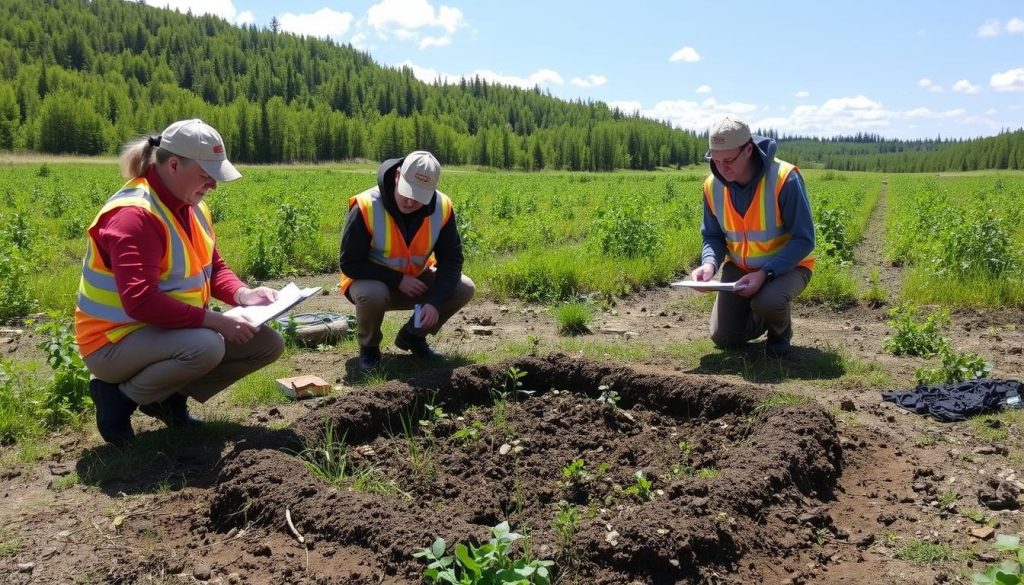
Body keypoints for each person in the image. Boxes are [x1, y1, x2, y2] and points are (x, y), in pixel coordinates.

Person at [75, 119, 285, 446]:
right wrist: (215, 321)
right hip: (113, 341)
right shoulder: (135, 215)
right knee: (207, 346)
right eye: (206, 175)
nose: (213, 185)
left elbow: (213, 268)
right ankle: (117, 398)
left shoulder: (192, 206)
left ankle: (166, 398)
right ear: (174, 165)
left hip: (164, 331)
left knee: (266, 344)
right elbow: (140, 301)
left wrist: (244, 294)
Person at [690, 116, 815, 357]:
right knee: (724, 337)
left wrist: (764, 274)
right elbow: (713, 236)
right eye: (714, 160)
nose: (721, 168)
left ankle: (779, 333)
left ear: (748, 150)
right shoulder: (712, 185)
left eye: (728, 160)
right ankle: (762, 313)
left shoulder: (785, 178)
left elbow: (804, 239)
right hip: (740, 268)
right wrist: (709, 264)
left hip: (789, 267)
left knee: (768, 301)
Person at [339, 150, 475, 372]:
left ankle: (413, 336)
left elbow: (451, 260)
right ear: (397, 176)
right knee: (372, 293)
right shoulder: (366, 206)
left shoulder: (442, 207)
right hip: (372, 284)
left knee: (464, 287)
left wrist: (435, 302)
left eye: (420, 195)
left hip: (416, 282)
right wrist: (397, 279)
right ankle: (369, 348)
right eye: (408, 191)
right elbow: (349, 263)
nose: (411, 201)